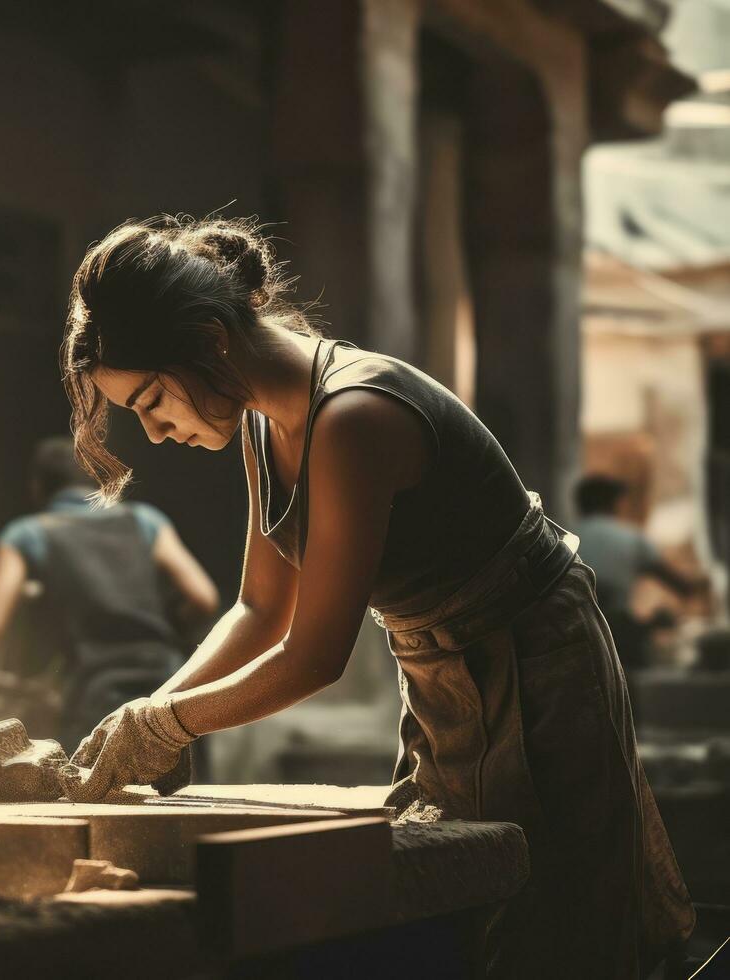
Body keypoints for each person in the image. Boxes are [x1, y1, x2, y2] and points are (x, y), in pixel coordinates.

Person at [55, 216, 693, 977]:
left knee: (554, 926)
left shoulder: (355, 416)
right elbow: (260, 610)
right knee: (461, 903)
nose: (156, 433)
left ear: (210, 342)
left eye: (154, 399)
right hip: (438, 669)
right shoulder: (263, 422)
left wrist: (166, 724)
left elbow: (315, 654)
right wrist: (148, 719)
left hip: (532, 660)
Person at [0, 436, 218, 749]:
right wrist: (171, 625)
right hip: (167, 679)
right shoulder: (145, 520)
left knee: (94, 793)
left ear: (37, 487)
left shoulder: (27, 534)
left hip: (94, 688)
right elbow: (204, 597)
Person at [574, 474, 707, 670]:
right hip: (615, 637)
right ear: (613, 503)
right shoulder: (630, 539)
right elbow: (680, 586)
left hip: (567, 634)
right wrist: (702, 583)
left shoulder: (561, 536)